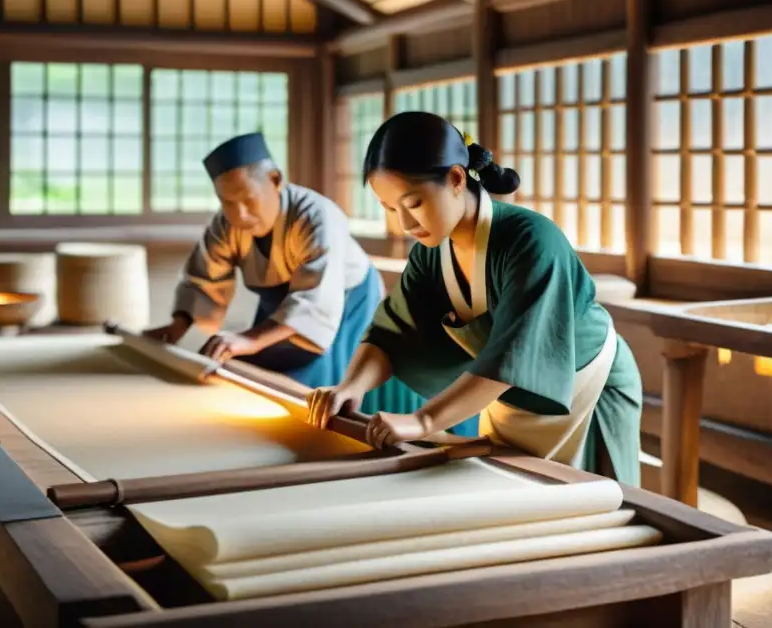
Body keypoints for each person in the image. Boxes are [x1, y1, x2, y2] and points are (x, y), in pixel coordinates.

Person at [305, 112, 643, 486]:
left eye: (413, 203)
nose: (404, 223)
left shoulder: (531, 239)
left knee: (599, 509)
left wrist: (424, 421)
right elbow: (392, 332)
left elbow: (513, 355)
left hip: (589, 388)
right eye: (389, 209)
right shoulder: (430, 254)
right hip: (511, 401)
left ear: (455, 178)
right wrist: (350, 387)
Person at [143, 132, 382, 390]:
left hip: (342, 299)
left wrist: (250, 339)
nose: (240, 214)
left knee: (314, 385)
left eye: (248, 199)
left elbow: (314, 304)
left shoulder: (317, 215)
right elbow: (204, 279)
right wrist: (175, 329)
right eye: (228, 203)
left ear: (275, 180)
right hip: (280, 304)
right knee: (251, 370)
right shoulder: (225, 223)